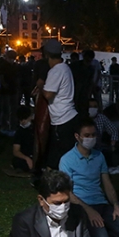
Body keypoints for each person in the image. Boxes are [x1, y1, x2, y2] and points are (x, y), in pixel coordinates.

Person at [59, 118, 119, 237]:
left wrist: (116, 206)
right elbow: (67, 192)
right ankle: (94, 227)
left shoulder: (99, 156)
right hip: (81, 205)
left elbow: (107, 184)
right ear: (77, 136)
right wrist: (88, 210)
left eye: (93, 135)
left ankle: (104, 225)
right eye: (87, 135)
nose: (91, 138)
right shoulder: (67, 160)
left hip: (101, 203)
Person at [41, 39, 80, 170]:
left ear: (46, 54)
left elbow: (48, 94)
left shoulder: (56, 70)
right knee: (64, 152)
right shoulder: (65, 68)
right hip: (68, 115)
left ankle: (55, 182)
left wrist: (41, 86)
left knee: (58, 154)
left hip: (62, 118)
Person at [12, 105, 35, 172]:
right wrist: (27, 158)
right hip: (25, 155)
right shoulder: (19, 132)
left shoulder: (35, 127)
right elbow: (16, 151)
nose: (23, 122)